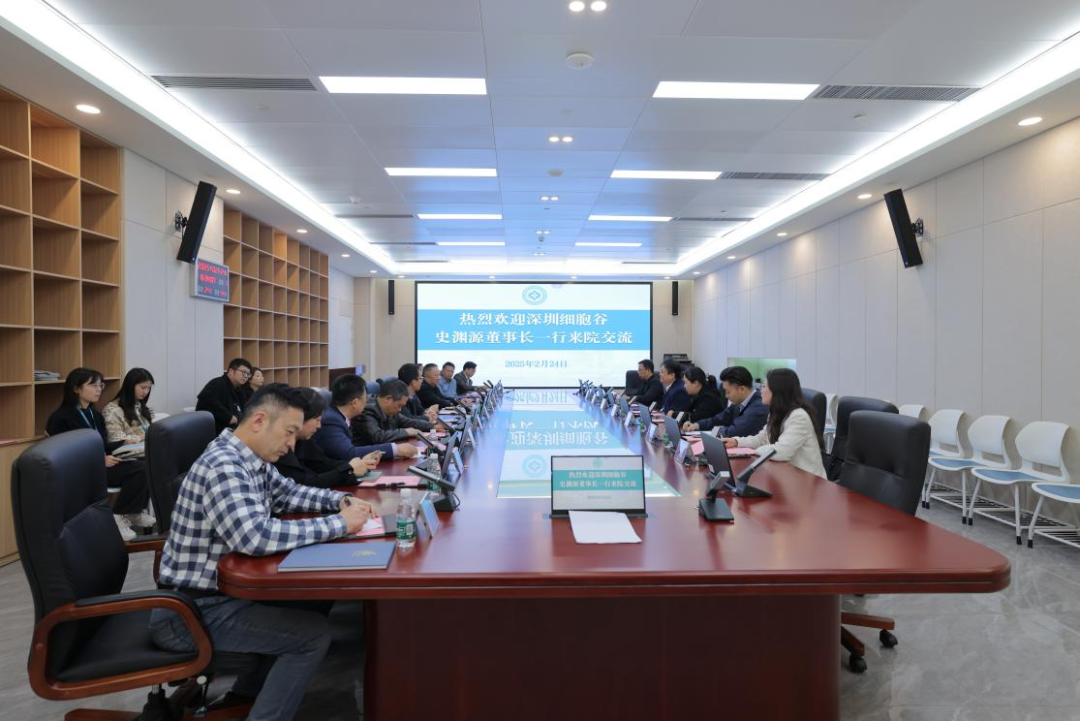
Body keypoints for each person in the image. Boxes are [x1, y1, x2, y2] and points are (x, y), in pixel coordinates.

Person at [151, 384, 377, 721]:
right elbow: (254, 536)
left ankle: (245, 695)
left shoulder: (249, 458)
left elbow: (289, 493)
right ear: (259, 420)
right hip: (190, 612)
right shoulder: (224, 466)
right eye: (289, 432)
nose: (292, 443)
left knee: (313, 599)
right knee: (312, 637)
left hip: (217, 597)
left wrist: (341, 501)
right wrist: (339, 524)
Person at [46, 367, 153, 541]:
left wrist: (123, 443)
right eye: (93, 385)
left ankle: (132, 512)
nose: (99, 390)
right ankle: (118, 516)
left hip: (101, 464)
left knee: (145, 466)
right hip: (82, 470)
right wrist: (98, 460)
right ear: (76, 389)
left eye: (100, 385)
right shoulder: (60, 419)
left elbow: (102, 444)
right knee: (138, 470)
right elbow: (63, 454)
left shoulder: (94, 414)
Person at [724, 368, 826, 478]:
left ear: (777, 390)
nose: (761, 390)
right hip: (786, 474)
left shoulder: (798, 417)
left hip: (807, 480)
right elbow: (762, 439)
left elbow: (781, 452)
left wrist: (753, 452)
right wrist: (736, 442)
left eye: (764, 386)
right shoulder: (776, 412)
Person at [274, 387, 379, 489]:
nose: (319, 425)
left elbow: (323, 464)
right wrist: (348, 469)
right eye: (317, 420)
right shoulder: (280, 447)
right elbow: (304, 483)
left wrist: (359, 464)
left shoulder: (304, 439)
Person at [313, 374, 417, 461]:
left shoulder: (339, 417)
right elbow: (349, 453)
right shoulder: (331, 420)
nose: (367, 401)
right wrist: (394, 450)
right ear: (354, 403)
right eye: (365, 397)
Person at [683, 366, 768, 438]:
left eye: (728, 392)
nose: (726, 396)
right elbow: (718, 419)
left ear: (742, 389)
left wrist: (712, 432)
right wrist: (697, 425)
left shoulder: (759, 406)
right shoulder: (738, 402)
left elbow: (734, 431)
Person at [354, 380, 431, 445]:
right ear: (388, 399)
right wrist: (406, 432)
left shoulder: (390, 409)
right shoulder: (367, 409)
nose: (400, 410)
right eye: (399, 405)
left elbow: (409, 422)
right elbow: (377, 436)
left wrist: (433, 426)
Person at [196, 358, 252, 434]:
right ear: (231, 371)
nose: (246, 376)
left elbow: (244, 409)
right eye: (243, 372)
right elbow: (206, 399)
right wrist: (228, 417)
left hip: (233, 429)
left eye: (248, 374)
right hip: (213, 430)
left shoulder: (239, 390)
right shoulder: (217, 383)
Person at [102, 367, 156, 444]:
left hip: (144, 447)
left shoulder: (139, 405)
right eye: (143, 387)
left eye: (148, 388)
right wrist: (145, 436)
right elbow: (116, 440)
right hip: (128, 449)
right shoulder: (112, 410)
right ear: (130, 386)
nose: (146, 392)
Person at [397, 363, 438, 429]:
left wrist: (428, 412)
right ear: (413, 382)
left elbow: (420, 410)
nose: (422, 381)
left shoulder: (413, 394)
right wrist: (427, 417)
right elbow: (409, 419)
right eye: (421, 378)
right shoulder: (400, 397)